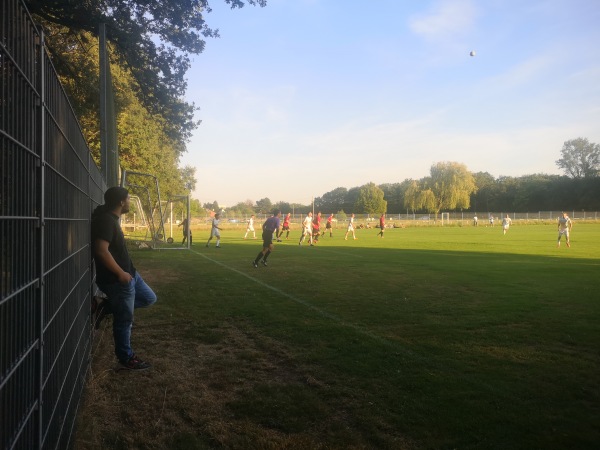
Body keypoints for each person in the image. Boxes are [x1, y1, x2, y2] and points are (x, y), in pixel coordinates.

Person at [91, 186, 157, 371]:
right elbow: (101, 251)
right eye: (128, 198)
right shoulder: (106, 221)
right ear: (121, 201)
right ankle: (126, 358)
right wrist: (121, 274)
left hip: (131, 275)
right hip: (118, 280)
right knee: (124, 320)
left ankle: (104, 306)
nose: (129, 202)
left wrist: (129, 273)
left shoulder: (111, 219)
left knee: (149, 298)